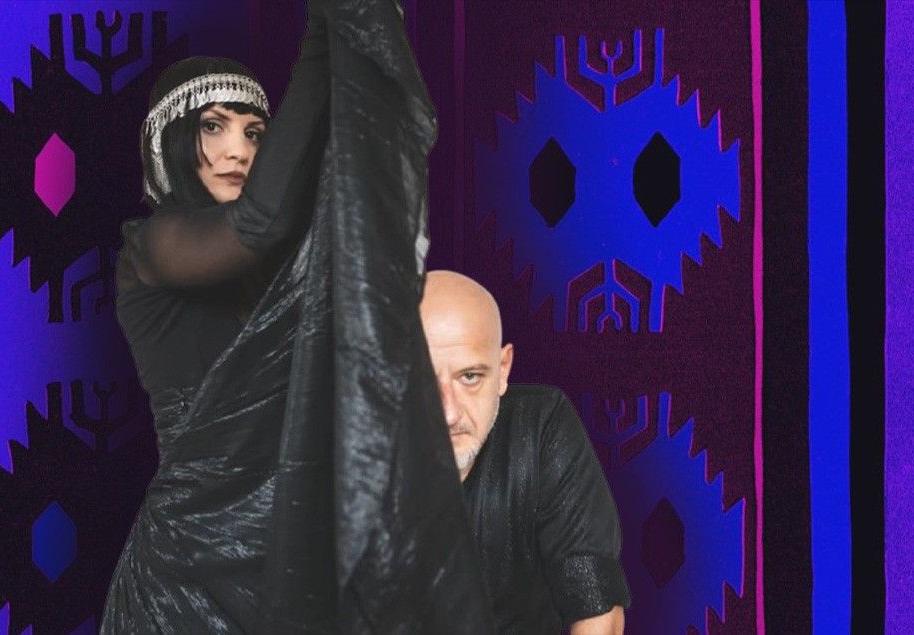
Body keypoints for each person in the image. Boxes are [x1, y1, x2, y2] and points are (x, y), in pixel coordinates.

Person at [103, 2, 495, 632]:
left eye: (256, 133)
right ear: (170, 139)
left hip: (290, 552)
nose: (237, 150)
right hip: (189, 567)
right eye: (213, 126)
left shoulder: (289, 276)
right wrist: (326, 23)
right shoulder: (150, 249)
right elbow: (259, 223)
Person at [419, 270, 631, 634]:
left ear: (503, 370)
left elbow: (597, 611)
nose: (448, 413)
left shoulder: (540, 428)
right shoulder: (338, 449)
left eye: (470, 377)